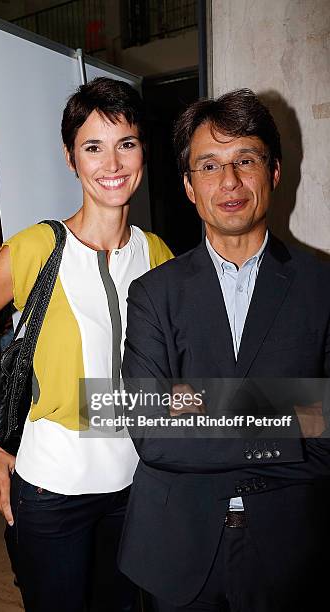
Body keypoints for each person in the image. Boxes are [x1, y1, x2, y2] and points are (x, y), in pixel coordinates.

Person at [0, 77, 173, 612]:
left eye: (126, 144)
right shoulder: (36, 248)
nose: (111, 164)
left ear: (143, 151)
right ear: (71, 158)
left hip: (135, 487)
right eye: (93, 147)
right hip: (51, 492)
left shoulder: (158, 253)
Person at [119, 89, 330, 612]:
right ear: (190, 188)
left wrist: (201, 407)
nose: (229, 182)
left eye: (245, 160)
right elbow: (151, 434)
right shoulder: (153, 293)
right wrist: (290, 414)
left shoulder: (322, 286)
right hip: (176, 547)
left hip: (291, 549)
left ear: (274, 171)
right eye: (209, 165)